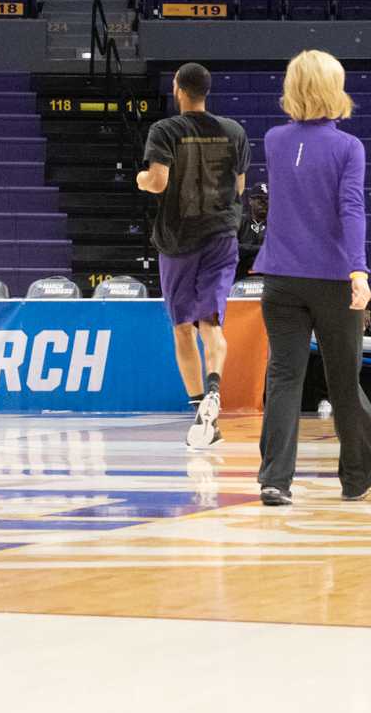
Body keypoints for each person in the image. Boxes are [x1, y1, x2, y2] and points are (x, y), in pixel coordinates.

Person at [253, 50, 371, 505]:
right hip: (333, 279)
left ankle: (274, 478)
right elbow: (350, 209)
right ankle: (357, 477)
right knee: (343, 379)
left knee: (284, 377)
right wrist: (358, 270)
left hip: (281, 277)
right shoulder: (349, 147)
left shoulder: (273, 140)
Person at [136, 62, 247, 451]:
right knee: (210, 322)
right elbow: (239, 187)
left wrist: (141, 179)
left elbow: (158, 182)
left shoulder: (165, 130)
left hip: (179, 241)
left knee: (182, 326)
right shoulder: (234, 131)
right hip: (220, 236)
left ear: (178, 89)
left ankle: (201, 406)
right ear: (207, 91)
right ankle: (215, 389)